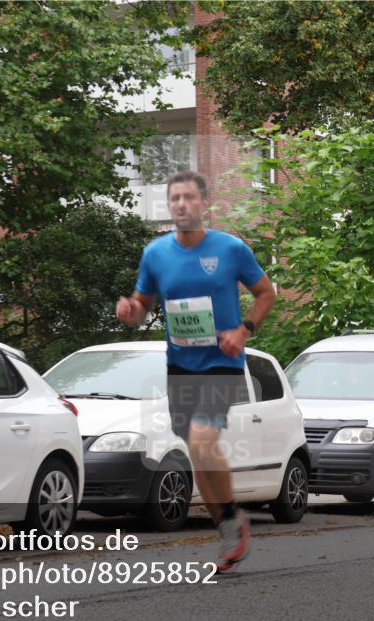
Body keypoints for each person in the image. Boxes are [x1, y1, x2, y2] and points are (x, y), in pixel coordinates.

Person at [116, 170, 276, 572]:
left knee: (204, 441)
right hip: (180, 365)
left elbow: (266, 292)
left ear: (204, 204)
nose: (182, 205)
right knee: (195, 451)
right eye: (175, 199)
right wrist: (132, 311)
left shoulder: (230, 249)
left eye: (189, 197)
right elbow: (142, 302)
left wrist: (245, 330)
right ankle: (228, 524)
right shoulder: (155, 254)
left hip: (222, 362)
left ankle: (232, 519)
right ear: (168, 206)